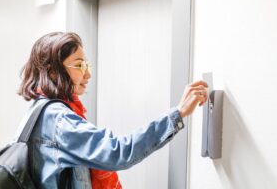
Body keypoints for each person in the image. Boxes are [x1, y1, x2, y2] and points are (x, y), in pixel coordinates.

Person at [16, 32, 208, 189]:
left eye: (87, 65)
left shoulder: (37, 110)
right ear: (52, 71)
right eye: (79, 65)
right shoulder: (59, 120)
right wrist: (178, 113)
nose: (88, 73)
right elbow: (118, 152)